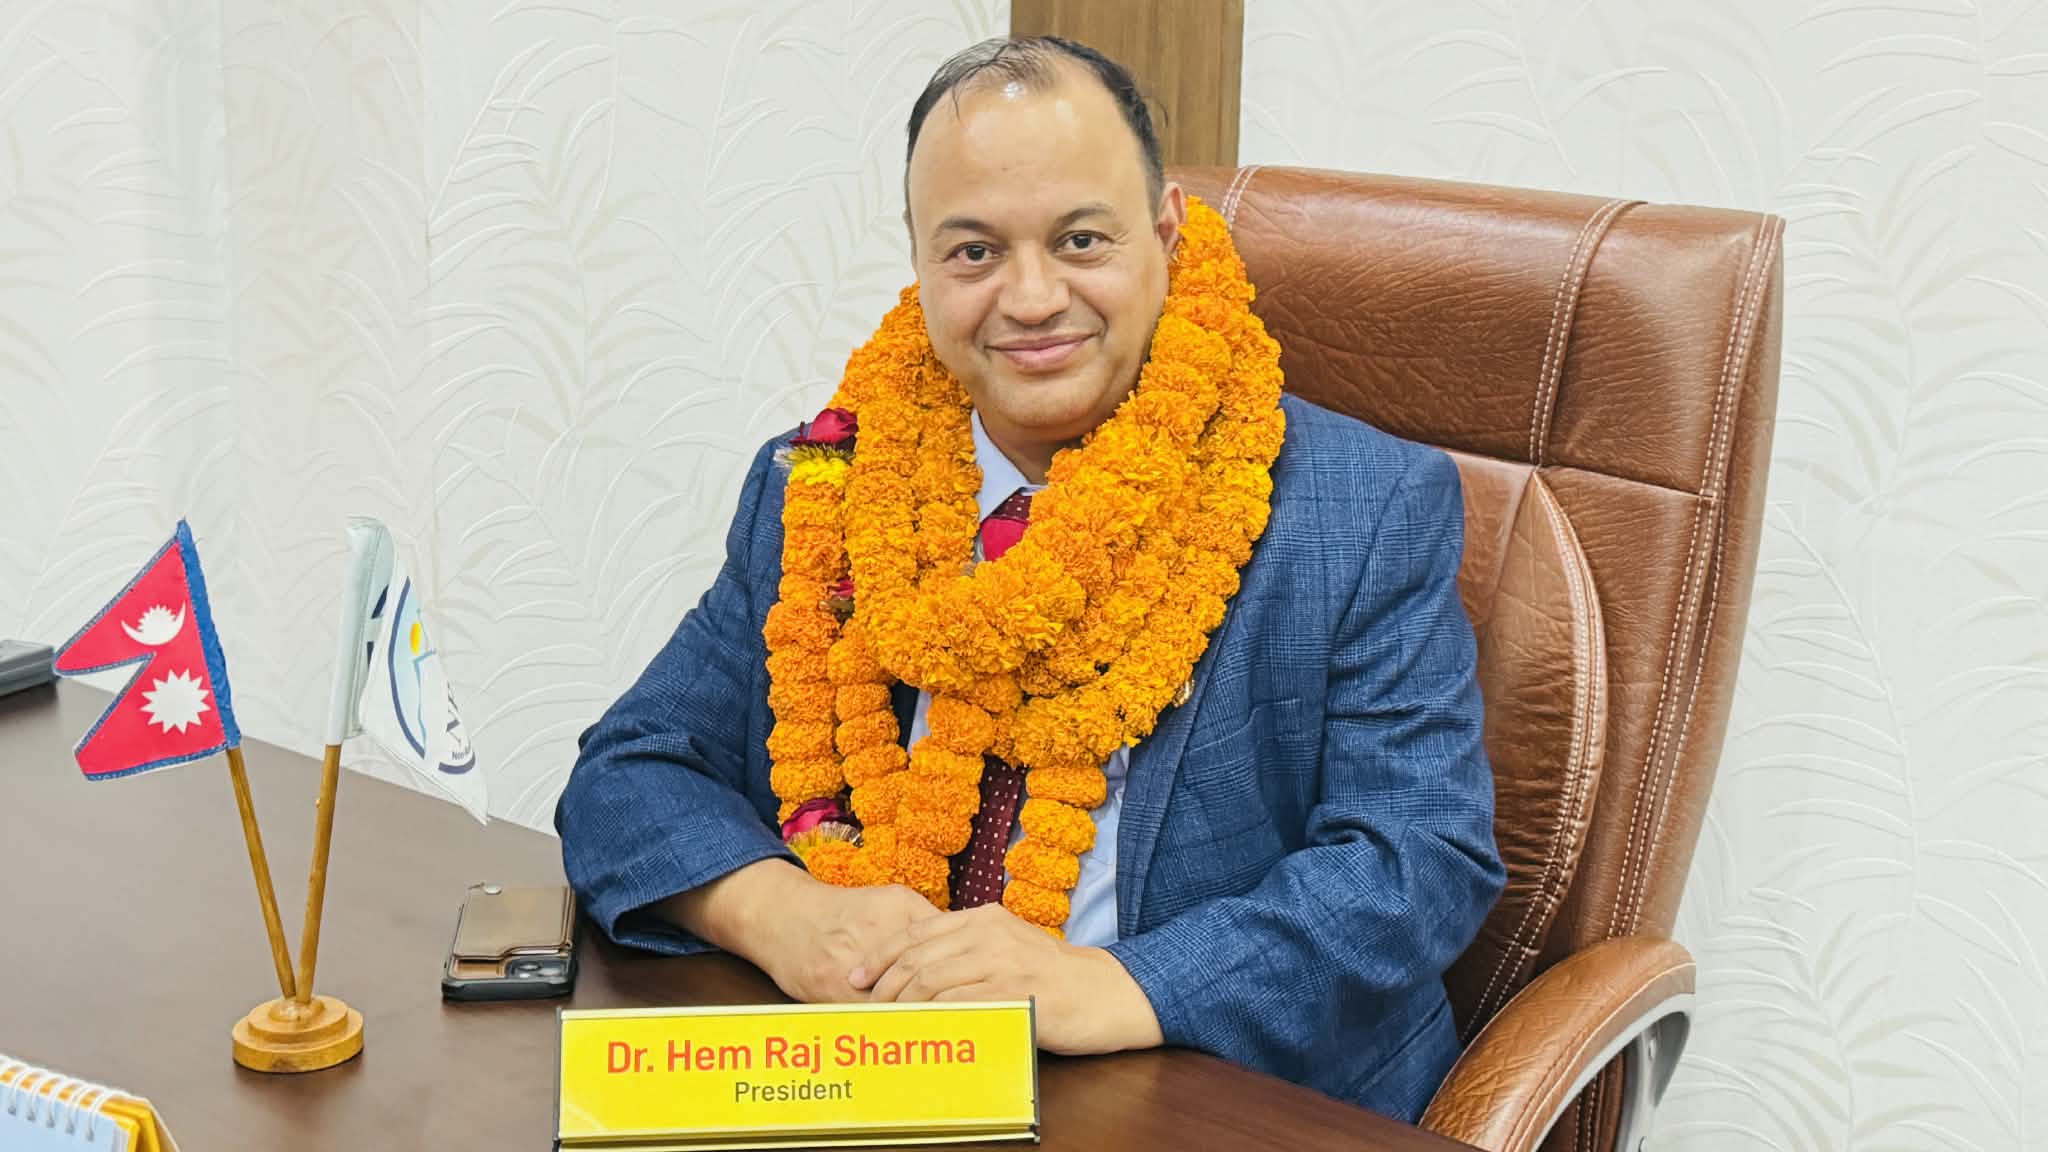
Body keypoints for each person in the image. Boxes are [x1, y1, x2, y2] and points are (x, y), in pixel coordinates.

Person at [556, 35, 1503, 1123]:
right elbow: (628, 773)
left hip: (1200, 1091)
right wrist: (786, 917)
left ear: (1165, 233)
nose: (1033, 297)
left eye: (1079, 240)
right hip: (882, 1071)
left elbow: (1416, 860)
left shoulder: (1361, 508)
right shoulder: (822, 488)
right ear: (919, 267)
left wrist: (1117, 985)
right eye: (973, 253)